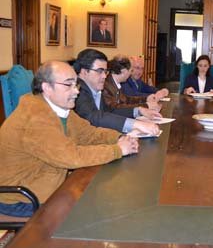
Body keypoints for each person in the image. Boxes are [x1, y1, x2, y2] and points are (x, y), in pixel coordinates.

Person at [0, 61, 139, 217]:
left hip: (44, 179)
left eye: (76, 85)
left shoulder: (58, 108)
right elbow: (71, 157)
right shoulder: (35, 117)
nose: (76, 92)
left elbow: (89, 134)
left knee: (101, 193)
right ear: (46, 87)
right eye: (68, 85)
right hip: (20, 197)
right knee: (97, 207)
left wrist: (120, 137)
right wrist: (117, 150)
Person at [74, 49, 160, 135]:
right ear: (84, 72)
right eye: (99, 71)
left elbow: (111, 110)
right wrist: (135, 124)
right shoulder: (77, 91)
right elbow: (94, 117)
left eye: (105, 71)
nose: (104, 76)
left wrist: (139, 111)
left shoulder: (96, 88)